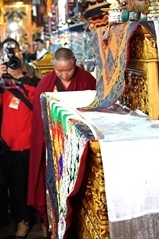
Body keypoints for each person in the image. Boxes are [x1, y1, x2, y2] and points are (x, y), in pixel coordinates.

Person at [27, 48, 96, 231]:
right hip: (54, 146)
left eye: (68, 70)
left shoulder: (87, 80)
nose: (64, 75)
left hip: (78, 146)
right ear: (53, 67)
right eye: (59, 71)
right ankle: (51, 223)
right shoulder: (45, 84)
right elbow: (39, 122)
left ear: (75, 63)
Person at [0, 40, 39, 239]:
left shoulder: (32, 81)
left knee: (28, 186)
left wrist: (19, 76)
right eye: (9, 56)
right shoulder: (3, 85)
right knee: (13, 187)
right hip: (8, 146)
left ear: (22, 55)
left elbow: (37, 98)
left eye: (16, 54)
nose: (13, 59)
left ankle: (28, 219)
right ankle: (20, 220)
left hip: (30, 145)